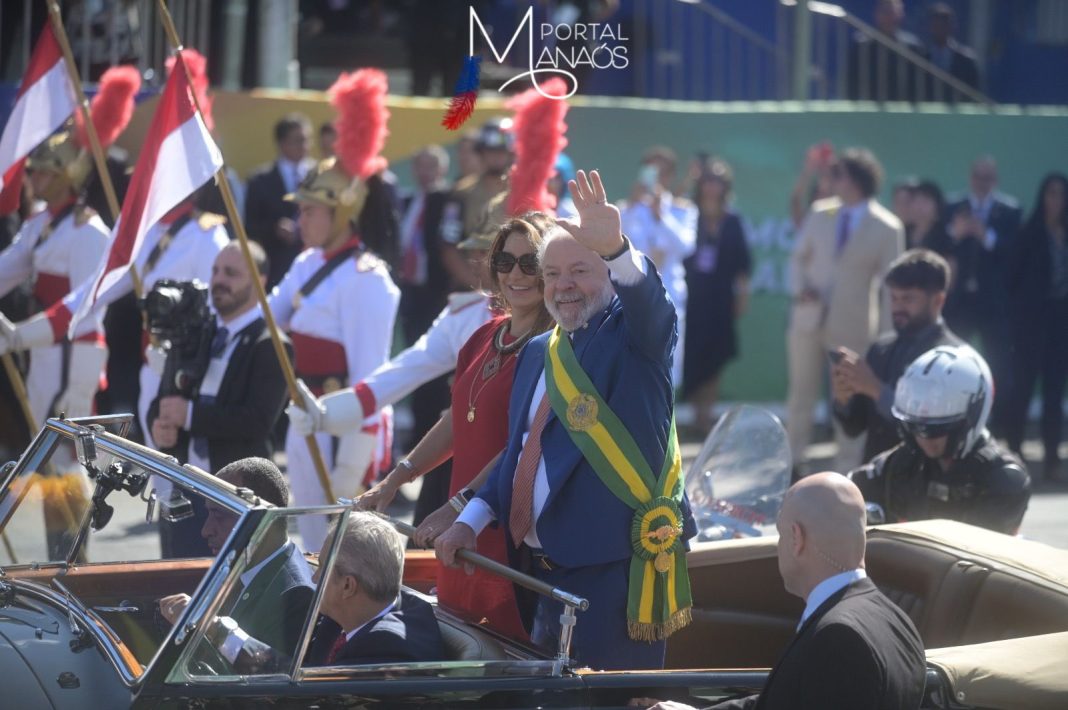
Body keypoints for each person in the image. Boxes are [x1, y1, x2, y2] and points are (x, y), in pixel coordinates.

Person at [436, 170, 696, 671]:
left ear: (608, 273)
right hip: (539, 576)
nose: (563, 286)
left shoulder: (633, 339)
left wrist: (618, 249)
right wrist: (469, 521)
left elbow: (654, 311)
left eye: (579, 270)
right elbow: (518, 455)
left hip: (611, 576)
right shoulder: (538, 352)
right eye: (551, 274)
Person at [355, 216, 554, 640]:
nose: (515, 273)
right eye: (504, 260)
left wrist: (462, 506)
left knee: (502, 659)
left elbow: (523, 445)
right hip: (459, 530)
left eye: (529, 262)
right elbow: (456, 419)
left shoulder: (554, 348)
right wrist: (395, 480)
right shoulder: (484, 335)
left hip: (504, 527)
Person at [647, 473, 926, 710]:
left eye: (780, 535)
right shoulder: (895, 620)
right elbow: (787, 701)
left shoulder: (839, 638)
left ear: (796, 537)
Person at [270, 70, 400, 550]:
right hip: (304, 416)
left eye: (309, 210)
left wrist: (356, 459)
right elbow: (270, 317)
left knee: (339, 545)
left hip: (342, 427)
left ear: (341, 212)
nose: (299, 218)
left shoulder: (368, 280)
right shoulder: (305, 263)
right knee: (306, 534)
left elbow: (373, 377)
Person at [786, 148, 903, 472]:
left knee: (849, 398)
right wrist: (800, 290)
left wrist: (888, 338)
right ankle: (793, 463)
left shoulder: (887, 225)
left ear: (856, 180)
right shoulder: (821, 211)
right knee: (800, 395)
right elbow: (797, 258)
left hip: (853, 326)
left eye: (838, 174)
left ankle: (848, 472)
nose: (831, 181)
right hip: (808, 319)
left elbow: (891, 286)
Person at [848, 345, 1031, 535]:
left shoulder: (1005, 478)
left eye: (936, 428)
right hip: (904, 562)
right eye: (915, 427)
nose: (923, 437)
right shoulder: (902, 462)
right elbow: (849, 488)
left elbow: (975, 553)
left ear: (969, 418)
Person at [157, 457, 315, 657]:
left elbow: (272, 676)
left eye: (220, 515)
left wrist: (210, 625)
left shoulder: (295, 592)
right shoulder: (241, 566)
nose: (206, 530)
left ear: (262, 518)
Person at [832, 249, 962, 463]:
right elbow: (854, 428)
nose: (898, 308)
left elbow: (930, 430)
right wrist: (843, 397)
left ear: (938, 301)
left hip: (925, 487)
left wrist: (875, 389)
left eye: (908, 299)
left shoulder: (952, 358)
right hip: (876, 484)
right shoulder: (880, 349)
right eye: (893, 298)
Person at [305, 511, 445, 665]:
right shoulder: (344, 616)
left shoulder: (383, 649)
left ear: (347, 586)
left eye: (322, 568)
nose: (314, 578)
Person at [944, 156, 1021, 436]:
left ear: (995, 180)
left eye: (988, 177)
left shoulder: (1009, 210)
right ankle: (953, 423)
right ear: (970, 177)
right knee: (952, 363)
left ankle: (1001, 432)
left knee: (999, 366)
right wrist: (957, 231)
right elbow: (942, 242)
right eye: (978, 176)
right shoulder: (954, 206)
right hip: (960, 302)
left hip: (993, 303)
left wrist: (984, 234)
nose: (982, 182)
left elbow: (1013, 253)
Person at [1005, 173, 1068, 479]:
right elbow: (1012, 279)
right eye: (1051, 193)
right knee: (1023, 389)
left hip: (1061, 322)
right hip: (1032, 324)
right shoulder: (1029, 233)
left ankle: (1053, 457)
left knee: (1054, 393)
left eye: (1061, 194)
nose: (1055, 200)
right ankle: (1014, 452)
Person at [682, 160, 751, 434]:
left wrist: (742, 295)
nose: (712, 186)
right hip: (692, 296)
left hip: (721, 297)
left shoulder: (732, 220)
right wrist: (688, 178)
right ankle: (696, 413)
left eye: (718, 180)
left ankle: (706, 415)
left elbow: (743, 264)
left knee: (717, 355)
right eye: (708, 180)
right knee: (693, 354)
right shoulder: (688, 214)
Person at [620, 146, 697, 385]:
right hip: (632, 295)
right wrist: (634, 205)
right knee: (630, 364)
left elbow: (686, 246)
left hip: (670, 296)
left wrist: (661, 216)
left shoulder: (681, 209)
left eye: (663, 172)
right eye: (652, 170)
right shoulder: (626, 209)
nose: (657, 177)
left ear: (671, 176)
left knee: (669, 367)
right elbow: (614, 241)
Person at [245, 113, 315, 288]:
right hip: (275, 272)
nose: (304, 146)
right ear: (282, 143)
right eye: (298, 140)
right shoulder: (259, 180)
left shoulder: (320, 176)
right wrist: (275, 229)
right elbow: (250, 227)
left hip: (312, 269)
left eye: (306, 140)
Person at [846, 0, 925, 102]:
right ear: (877, 14)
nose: (889, 17)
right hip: (869, 109)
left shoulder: (913, 47)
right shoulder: (861, 45)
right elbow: (851, 82)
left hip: (904, 110)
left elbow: (919, 84)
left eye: (892, 12)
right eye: (885, 12)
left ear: (901, 15)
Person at [924, 3, 980, 98]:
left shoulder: (966, 59)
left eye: (944, 23)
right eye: (936, 24)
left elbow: (974, 92)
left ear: (952, 26)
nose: (940, 29)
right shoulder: (922, 56)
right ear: (931, 27)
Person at [788, 142, 835, 230]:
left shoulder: (834, 218)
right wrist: (808, 169)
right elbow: (795, 199)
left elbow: (832, 202)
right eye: (819, 195)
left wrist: (827, 170)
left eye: (825, 195)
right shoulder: (807, 223)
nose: (822, 200)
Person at [907, 180, 954, 255]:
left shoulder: (944, 239)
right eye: (916, 201)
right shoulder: (903, 232)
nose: (919, 206)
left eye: (925, 201)